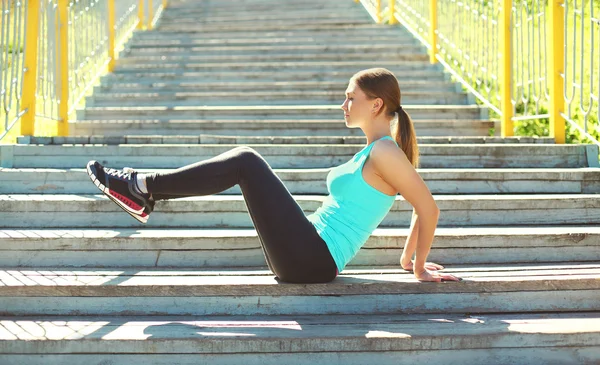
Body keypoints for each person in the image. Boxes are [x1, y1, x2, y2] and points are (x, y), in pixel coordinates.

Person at [86, 67, 461, 284]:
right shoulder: (373, 150)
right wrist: (408, 258)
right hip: (307, 251)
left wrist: (418, 268)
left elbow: (427, 207)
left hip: (313, 258)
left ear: (376, 104)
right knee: (246, 164)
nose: (343, 104)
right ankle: (144, 190)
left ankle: (143, 188)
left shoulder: (385, 151)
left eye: (351, 97)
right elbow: (418, 208)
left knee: (246, 161)